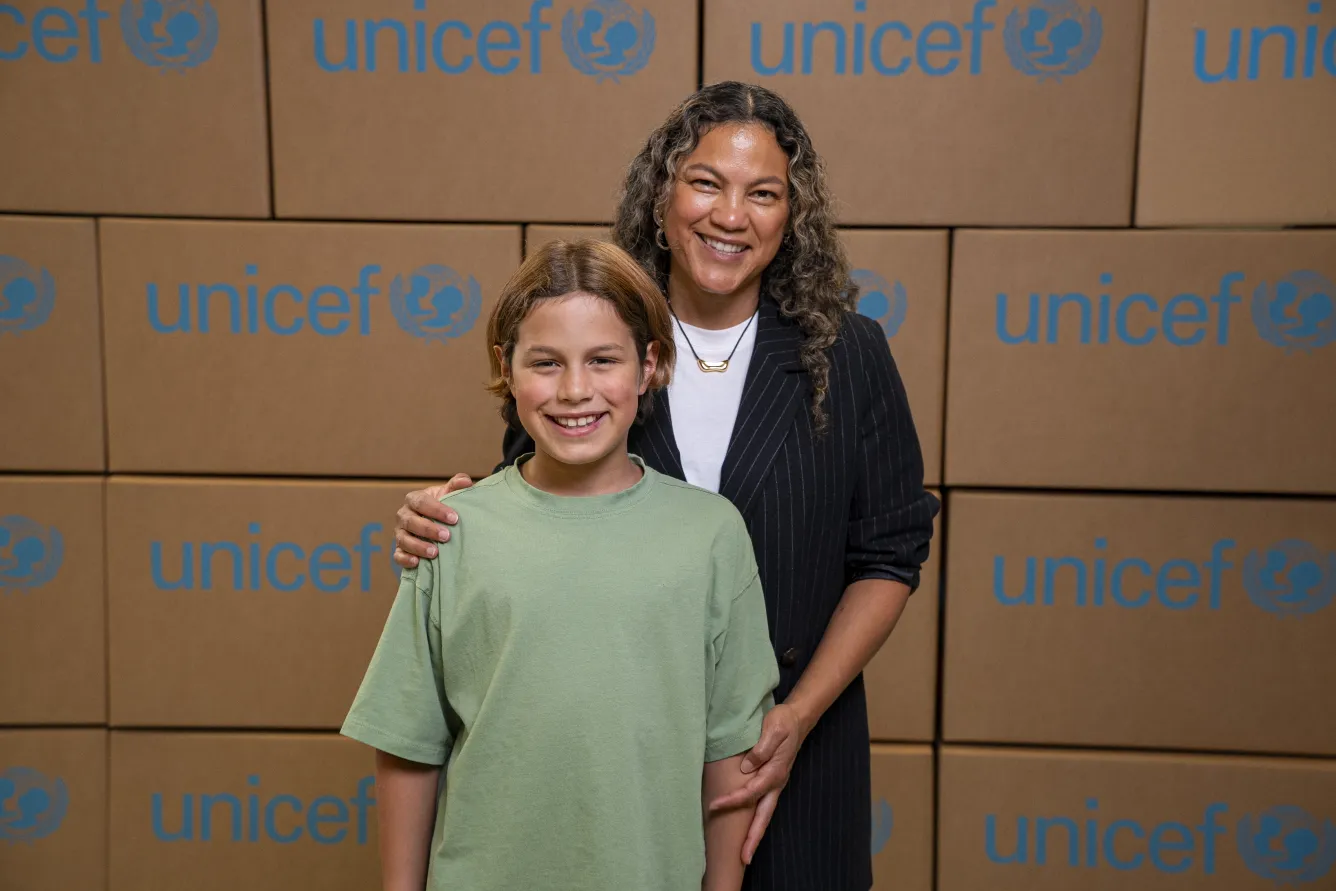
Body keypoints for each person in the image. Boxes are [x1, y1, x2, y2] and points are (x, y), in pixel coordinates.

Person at [393, 82, 940, 891]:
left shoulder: (848, 353)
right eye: (707, 182)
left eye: (764, 194)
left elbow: (890, 551)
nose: (731, 215)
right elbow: (536, 501)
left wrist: (795, 717)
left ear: (792, 217)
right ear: (662, 193)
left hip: (782, 750)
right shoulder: (602, 342)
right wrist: (446, 515)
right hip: (612, 764)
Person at [343, 239, 780, 891]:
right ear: (507, 367)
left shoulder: (711, 536)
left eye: (603, 360)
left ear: (649, 363)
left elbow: (730, 754)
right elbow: (409, 743)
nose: (576, 390)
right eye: (545, 363)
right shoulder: (452, 529)